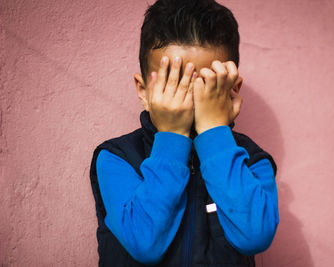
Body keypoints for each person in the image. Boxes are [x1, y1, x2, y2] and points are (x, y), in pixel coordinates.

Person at [89, 0, 279, 266]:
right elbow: (145, 244)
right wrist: (172, 135)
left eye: (204, 85)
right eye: (173, 84)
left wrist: (214, 131)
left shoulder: (253, 161)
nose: (188, 99)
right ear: (143, 91)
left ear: (231, 90)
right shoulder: (116, 158)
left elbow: (254, 237)